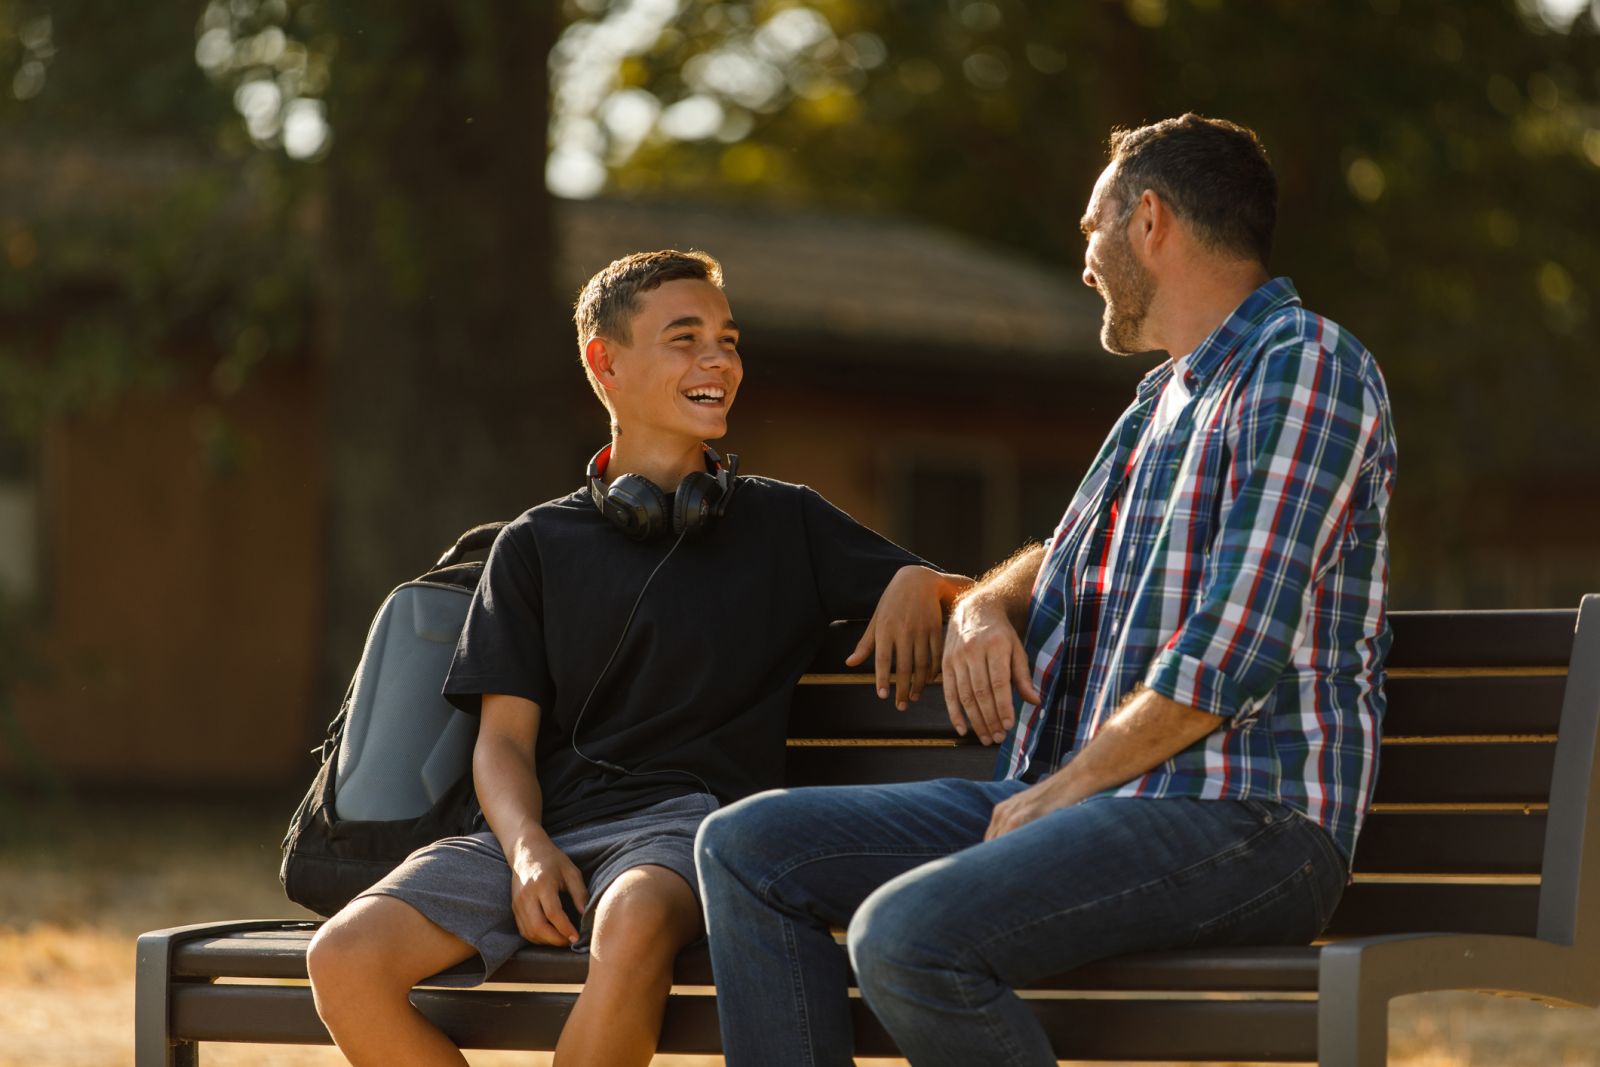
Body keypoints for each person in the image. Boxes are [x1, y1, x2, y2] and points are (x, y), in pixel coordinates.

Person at [695, 114, 1398, 1066]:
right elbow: (1057, 563)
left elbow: (1230, 649)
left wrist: (1062, 789)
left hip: (1239, 818)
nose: (1086, 263)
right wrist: (985, 604)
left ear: (1149, 220)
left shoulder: (1304, 364)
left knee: (905, 937)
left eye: (1090, 230)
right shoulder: (1160, 401)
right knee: (746, 847)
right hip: (1082, 797)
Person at [304, 249, 969, 1067]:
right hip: (535, 832)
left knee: (633, 922)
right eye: (685, 339)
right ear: (604, 362)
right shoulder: (532, 545)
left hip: (689, 834)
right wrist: (526, 848)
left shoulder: (785, 522)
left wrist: (914, 578)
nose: (718, 360)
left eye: (727, 340)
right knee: (341, 959)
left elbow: (967, 595)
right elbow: (503, 743)